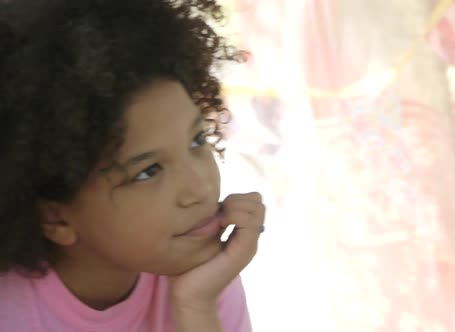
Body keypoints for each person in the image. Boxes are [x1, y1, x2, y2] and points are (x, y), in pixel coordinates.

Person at [0, 0, 264, 331]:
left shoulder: (204, 275)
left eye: (197, 141)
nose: (201, 189)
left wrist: (197, 306)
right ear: (55, 217)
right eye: (149, 171)